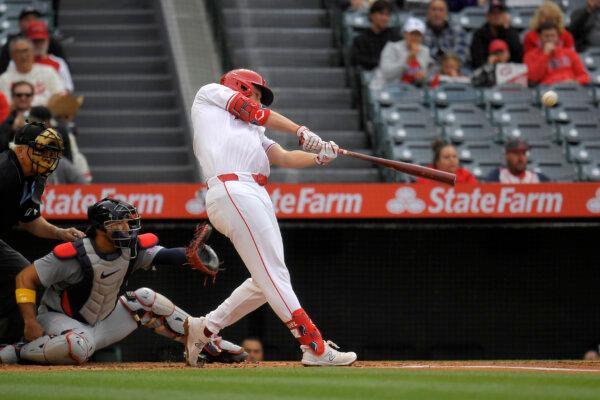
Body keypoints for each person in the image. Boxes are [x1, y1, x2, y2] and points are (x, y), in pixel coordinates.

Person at [185, 68, 357, 367]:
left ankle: (206, 328)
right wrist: (301, 130)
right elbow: (256, 112)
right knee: (273, 275)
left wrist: (320, 156)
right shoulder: (210, 94)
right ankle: (313, 346)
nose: (259, 99)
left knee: (267, 279)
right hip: (232, 188)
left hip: (255, 193)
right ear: (237, 85)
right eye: (255, 92)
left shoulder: (252, 131)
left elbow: (286, 157)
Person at [0, 198, 248, 365]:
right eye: (118, 223)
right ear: (99, 228)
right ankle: (17, 351)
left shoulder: (130, 248)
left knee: (145, 298)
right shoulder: (73, 254)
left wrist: (188, 255)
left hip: (104, 323)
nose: (127, 227)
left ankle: (207, 344)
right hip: (59, 320)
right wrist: (30, 322)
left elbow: (162, 254)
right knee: (78, 346)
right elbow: (25, 277)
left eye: (128, 222)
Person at [0, 123, 84, 342]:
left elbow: (29, 219)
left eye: (52, 152)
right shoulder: (4, 173)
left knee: (26, 277)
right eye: (42, 150)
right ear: (20, 149)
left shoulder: (35, 175)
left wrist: (60, 233)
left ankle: (11, 346)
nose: (48, 157)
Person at [0, 7, 68, 74]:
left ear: (46, 41)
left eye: (34, 19)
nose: (31, 22)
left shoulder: (57, 61)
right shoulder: (12, 48)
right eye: (27, 19)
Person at [0, 37, 65, 107]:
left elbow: (60, 97)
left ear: (32, 52)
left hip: (44, 115)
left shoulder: (48, 72)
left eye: (26, 51)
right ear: (12, 55)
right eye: (18, 52)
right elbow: (5, 106)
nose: (23, 56)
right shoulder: (4, 79)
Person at [370, 17, 431, 89]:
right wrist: (406, 61)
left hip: (411, 89)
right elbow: (386, 73)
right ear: (405, 34)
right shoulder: (391, 47)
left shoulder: (425, 51)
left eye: (418, 35)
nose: (415, 37)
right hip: (386, 86)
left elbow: (421, 75)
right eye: (412, 34)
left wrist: (422, 77)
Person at [524, 22, 590, 86]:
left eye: (553, 36)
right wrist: (545, 55)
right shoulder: (530, 55)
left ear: (557, 37)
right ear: (539, 37)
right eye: (546, 36)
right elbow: (533, 78)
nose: (550, 39)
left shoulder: (570, 53)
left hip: (570, 88)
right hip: (547, 90)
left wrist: (574, 82)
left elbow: (584, 76)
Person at [470, 0, 523, 69]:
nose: (497, 16)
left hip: (509, 72)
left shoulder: (511, 32)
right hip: (486, 73)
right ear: (487, 15)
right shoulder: (479, 35)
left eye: (499, 12)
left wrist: (507, 29)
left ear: (504, 14)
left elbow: (518, 57)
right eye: (493, 13)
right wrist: (489, 62)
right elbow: (477, 61)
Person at [350, 0, 401, 71]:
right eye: (381, 14)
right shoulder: (360, 40)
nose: (384, 18)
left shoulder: (395, 38)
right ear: (371, 15)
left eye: (387, 15)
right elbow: (357, 60)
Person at [25, 20, 74, 92]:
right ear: (27, 41)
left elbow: (67, 88)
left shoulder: (58, 62)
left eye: (41, 40)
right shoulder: (18, 62)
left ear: (47, 40)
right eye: (35, 41)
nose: (38, 44)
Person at [486, 139, 550, 183]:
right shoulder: (497, 176)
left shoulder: (539, 178)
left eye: (524, 153)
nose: (520, 158)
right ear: (506, 155)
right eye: (516, 153)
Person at [0, 82, 34, 152]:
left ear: (32, 96)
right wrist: (13, 130)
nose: (23, 98)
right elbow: (2, 147)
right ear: (13, 97)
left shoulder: (41, 116)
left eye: (27, 95)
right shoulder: (6, 120)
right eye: (19, 95)